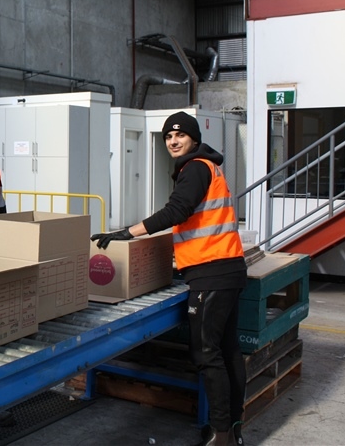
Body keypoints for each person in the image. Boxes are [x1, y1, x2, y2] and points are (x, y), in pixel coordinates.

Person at [91, 111, 247, 446]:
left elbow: (177, 211)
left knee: (207, 353)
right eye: (168, 137)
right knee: (227, 350)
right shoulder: (208, 167)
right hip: (227, 268)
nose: (173, 141)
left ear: (193, 138)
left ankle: (221, 436)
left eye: (180, 135)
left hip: (212, 273)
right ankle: (231, 428)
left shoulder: (194, 169)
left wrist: (126, 233)